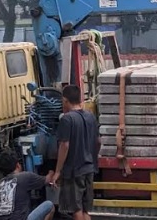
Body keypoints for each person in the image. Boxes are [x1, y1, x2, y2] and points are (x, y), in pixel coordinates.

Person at [48, 84, 101, 220]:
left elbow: (64, 145)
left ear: (65, 100)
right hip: (89, 168)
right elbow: (98, 142)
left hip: (74, 171)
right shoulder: (91, 117)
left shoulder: (67, 119)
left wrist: (58, 171)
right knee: (85, 210)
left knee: (76, 209)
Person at [0, 149, 56, 220]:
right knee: (49, 205)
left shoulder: (1, 183)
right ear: (18, 165)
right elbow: (48, 180)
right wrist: (52, 169)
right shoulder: (25, 177)